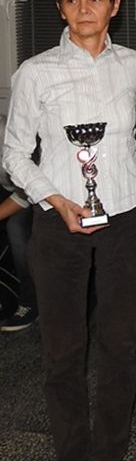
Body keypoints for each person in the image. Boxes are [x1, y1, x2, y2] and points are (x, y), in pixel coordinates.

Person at [3, 0, 136, 461]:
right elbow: (14, 155)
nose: (84, 9)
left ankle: (109, 457)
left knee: (120, 345)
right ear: (60, 7)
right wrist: (54, 198)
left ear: (114, 6)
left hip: (124, 217)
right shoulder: (35, 72)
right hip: (58, 224)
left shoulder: (134, 65)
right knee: (62, 351)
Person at [0, 113, 36, 332]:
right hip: (7, 189)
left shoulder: (6, 131)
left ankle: (31, 300)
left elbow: (25, 193)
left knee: (17, 227)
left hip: (35, 191)